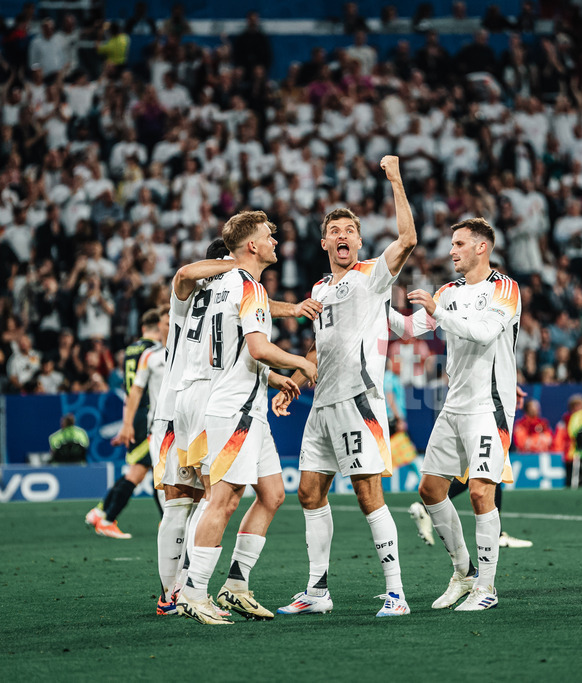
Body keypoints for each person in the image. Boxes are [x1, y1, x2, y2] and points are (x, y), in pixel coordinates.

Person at [272, 156, 417, 618]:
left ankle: (396, 592)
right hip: (322, 403)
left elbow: (409, 239)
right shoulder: (317, 289)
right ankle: (317, 591)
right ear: (323, 242)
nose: (342, 237)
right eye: (334, 231)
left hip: (358, 400)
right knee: (309, 492)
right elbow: (318, 351)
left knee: (366, 491)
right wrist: (295, 383)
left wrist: (394, 179)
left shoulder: (372, 275)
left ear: (358, 240)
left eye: (349, 231)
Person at [177, 211, 317, 626]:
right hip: (234, 409)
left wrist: (273, 379)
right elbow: (256, 347)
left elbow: (236, 349)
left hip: (246, 405)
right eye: (268, 235)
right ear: (252, 246)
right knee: (223, 501)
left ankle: (235, 586)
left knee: (272, 493)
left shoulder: (222, 285)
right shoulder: (248, 286)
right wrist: (299, 364)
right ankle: (193, 592)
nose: (275, 240)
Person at [387, 216, 521, 611]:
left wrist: (439, 313)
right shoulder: (447, 291)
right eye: (452, 244)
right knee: (430, 490)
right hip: (455, 403)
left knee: (481, 490)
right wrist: (375, 306)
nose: (452, 251)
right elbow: (411, 330)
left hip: (489, 405)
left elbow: (482, 332)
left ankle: (487, 589)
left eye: (459, 244)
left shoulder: (505, 289)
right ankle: (464, 573)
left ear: (482, 247)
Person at [149, 239, 232, 617]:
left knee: (181, 502)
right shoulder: (207, 291)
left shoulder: (198, 297)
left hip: (172, 408)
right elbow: (185, 272)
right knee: (206, 498)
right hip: (194, 406)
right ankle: (185, 590)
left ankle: (172, 594)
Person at [84, 309, 166, 539]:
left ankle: (101, 511)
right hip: (148, 413)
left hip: (135, 411)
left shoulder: (131, 349)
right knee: (142, 469)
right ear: (159, 326)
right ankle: (107, 516)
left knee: (145, 468)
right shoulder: (154, 352)